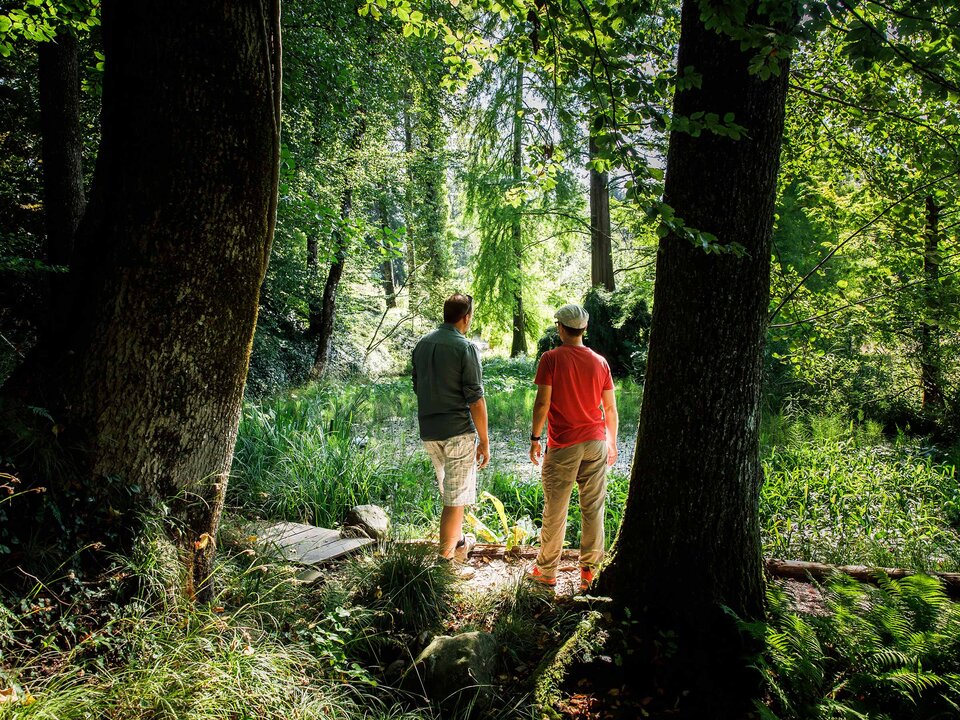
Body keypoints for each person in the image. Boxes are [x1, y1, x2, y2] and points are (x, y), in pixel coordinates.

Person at [528, 303, 618, 592]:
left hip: (565, 444)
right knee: (593, 508)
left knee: (556, 508)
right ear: (585, 329)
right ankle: (589, 573)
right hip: (596, 442)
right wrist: (612, 442)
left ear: (560, 328)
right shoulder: (600, 361)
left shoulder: (551, 359)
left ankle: (547, 572)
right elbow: (611, 409)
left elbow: (542, 403)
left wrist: (535, 439)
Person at [412, 293, 490, 569]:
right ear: (466, 317)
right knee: (455, 500)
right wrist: (485, 440)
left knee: (452, 493)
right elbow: (476, 399)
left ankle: (457, 547)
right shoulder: (465, 347)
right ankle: (445, 568)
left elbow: (417, 385)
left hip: (429, 431)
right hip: (457, 431)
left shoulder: (422, 344)